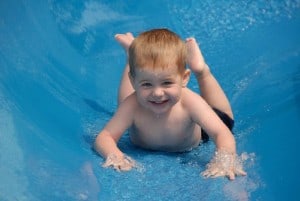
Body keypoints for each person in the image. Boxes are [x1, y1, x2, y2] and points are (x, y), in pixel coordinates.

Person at [94, 28, 246, 180]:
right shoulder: (132, 104)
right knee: (127, 102)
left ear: (184, 78)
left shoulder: (190, 102)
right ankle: (131, 56)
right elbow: (105, 137)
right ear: (132, 81)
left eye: (166, 83)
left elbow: (222, 133)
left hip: (197, 139)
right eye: (147, 84)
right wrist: (115, 156)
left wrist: (224, 161)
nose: (157, 93)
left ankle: (201, 72)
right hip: (135, 96)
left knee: (226, 122)